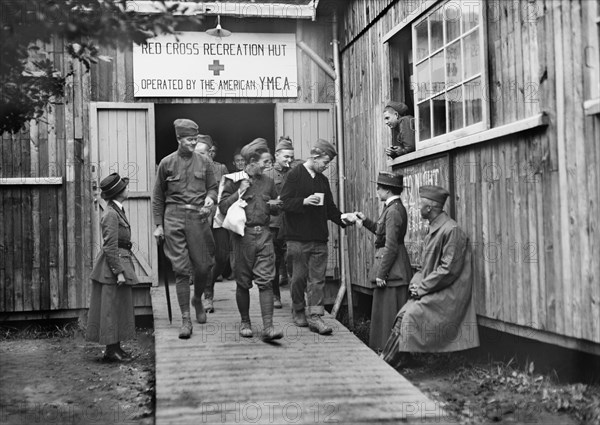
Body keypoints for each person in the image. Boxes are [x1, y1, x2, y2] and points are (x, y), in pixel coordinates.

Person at [381, 185, 480, 367]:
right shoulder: (435, 229)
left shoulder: (452, 231)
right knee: (403, 314)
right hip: (433, 287)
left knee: (409, 316)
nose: (418, 208)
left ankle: (386, 363)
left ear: (429, 208)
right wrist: (415, 283)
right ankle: (396, 359)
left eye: (421, 205)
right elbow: (423, 266)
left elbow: (448, 270)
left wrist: (422, 287)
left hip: (448, 294)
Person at [280, 139, 357, 335]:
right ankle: (298, 309)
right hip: (297, 238)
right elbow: (284, 203)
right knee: (298, 278)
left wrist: (343, 218)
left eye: (328, 163)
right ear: (315, 157)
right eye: (325, 162)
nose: (326, 166)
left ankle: (315, 316)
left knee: (317, 280)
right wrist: (304, 201)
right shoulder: (294, 175)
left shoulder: (322, 181)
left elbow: (330, 208)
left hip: (319, 238)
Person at [152, 119, 217, 339]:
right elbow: (158, 196)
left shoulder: (205, 162)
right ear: (179, 139)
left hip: (198, 217)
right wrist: (159, 226)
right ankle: (185, 319)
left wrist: (210, 199)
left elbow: (213, 188)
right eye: (189, 139)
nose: (193, 143)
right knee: (181, 269)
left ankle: (197, 298)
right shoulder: (166, 163)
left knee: (203, 266)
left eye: (195, 139)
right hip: (173, 217)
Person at [219, 138, 283, 341]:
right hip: (241, 237)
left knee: (266, 280)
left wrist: (276, 204)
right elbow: (221, 208)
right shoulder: (233, 179)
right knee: (243, 281)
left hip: (264, 234)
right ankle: (245, 322)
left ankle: (269, 327)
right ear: (253, 160)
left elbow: (273, 205)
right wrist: (239, 192)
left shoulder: (269, 182)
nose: (268, 165)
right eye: (265, 161)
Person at [355, 172, 413, 352]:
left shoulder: (394, 211)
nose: (377, 191)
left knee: (389, 312)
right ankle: (386, 351)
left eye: (379, 188)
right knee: (385, 311)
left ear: (387, 190)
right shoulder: (392, 208)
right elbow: (382, 233)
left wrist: (382, 273)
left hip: (392, 270)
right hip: (392, 268)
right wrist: (365, 222)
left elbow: (391, 245)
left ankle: (389, 351)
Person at [87, 173, 137, 362]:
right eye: (125, 187)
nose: (128, 189)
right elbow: (109, 246)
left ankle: (116, 348)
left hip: (119, 261)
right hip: (112, 266)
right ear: (119, 192)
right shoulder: (110, 214)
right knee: (110, 308)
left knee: (117, 307)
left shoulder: (117, 211)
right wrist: (119, 272)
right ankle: (111, 350)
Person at [195, 135, 230, 313]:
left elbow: (228, 189)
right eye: (197, 152)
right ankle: (207, 294)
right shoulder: (190, 169)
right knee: (205, 258)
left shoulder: (221, 168)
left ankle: (209, 282)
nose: (200, 156)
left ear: (210, 153)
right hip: (200, 217)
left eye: (203, 152)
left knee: (222, 256)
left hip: (219, 214)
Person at [263, 136, 295, 309]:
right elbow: (261, 201)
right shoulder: (267, 174)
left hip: (292, 224)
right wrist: (275, 203)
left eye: (291, 157)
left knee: (293, 259)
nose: (289, 160)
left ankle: (297, 298)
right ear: (276, 155)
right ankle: (275, 294)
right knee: (273, 261)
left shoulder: (295, 173)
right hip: (274, 225)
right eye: (286, 157)